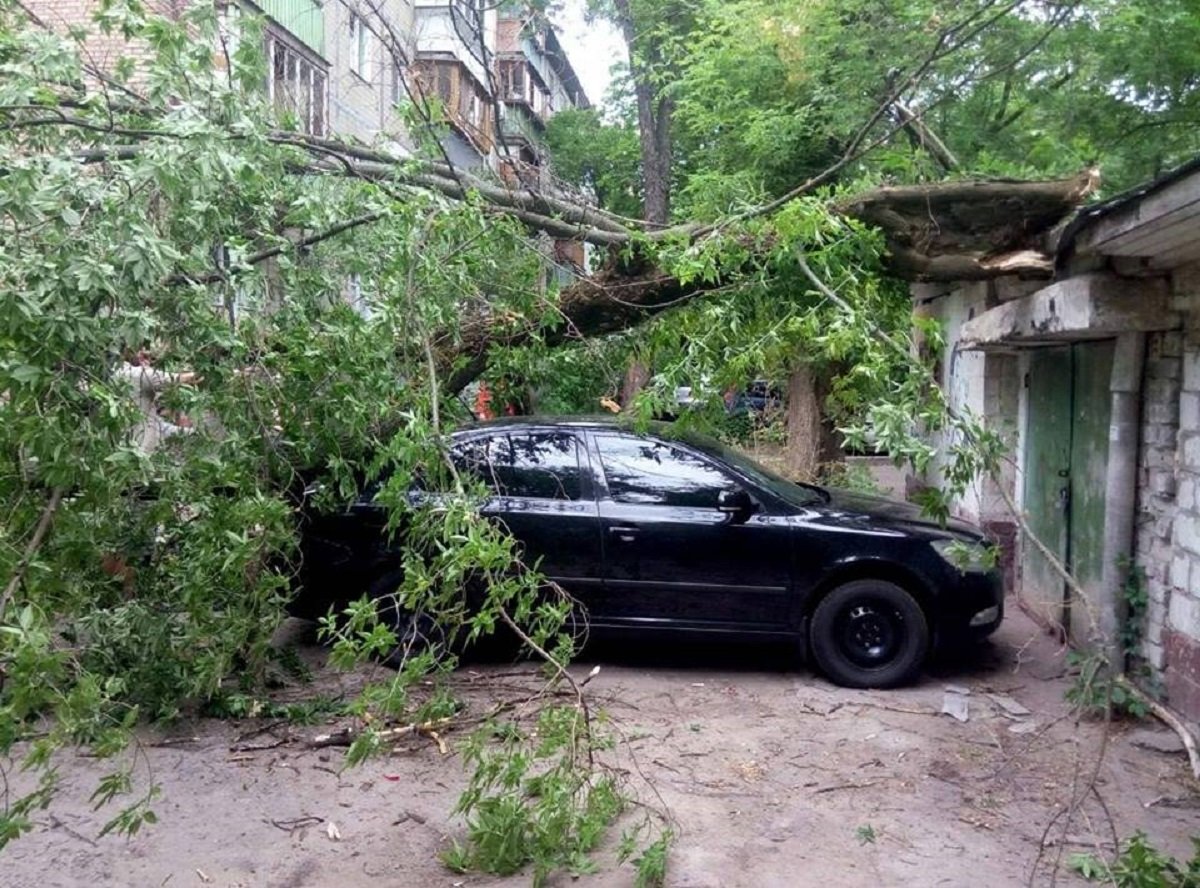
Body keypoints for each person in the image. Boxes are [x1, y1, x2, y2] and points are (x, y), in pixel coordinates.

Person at [113, 349, 199, 454]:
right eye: (140, 351)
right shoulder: (126, 374)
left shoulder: (140, 391)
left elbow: (158, 428)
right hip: (133, 457)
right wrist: (196, 375)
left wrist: (194, 435)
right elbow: (168, 379)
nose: (148, 356)